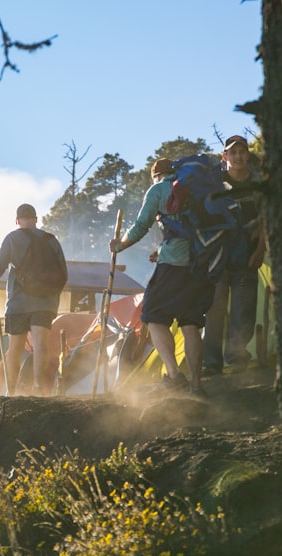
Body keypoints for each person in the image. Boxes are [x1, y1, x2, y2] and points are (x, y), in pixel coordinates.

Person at [109, 158, 216, 396]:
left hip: (173, 265)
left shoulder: (158, 189)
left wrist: (120, 245)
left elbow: (141, 226)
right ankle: (196, 385)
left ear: (155, 175)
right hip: (202, 264)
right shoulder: (199, 189)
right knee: (191, 324)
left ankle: (174, 376)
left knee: (153, 315)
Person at [202, 135, 266, 376]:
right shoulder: (216, 184)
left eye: (242, 152)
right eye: (233, 152)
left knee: (243, 309)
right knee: (215, 311)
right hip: (218, 258)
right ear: (224, 156)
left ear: (247, 156)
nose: (238, 156)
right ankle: (211, 363)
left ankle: (237, 358)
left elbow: (264, 220)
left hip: (247, 258)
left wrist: (260, 250)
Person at [0, 203, 68, 396]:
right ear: (35, 219)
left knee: (15, 348)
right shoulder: (51, 240)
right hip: (46, 303)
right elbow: (63, 275)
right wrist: (50, 296)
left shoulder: (12, 238)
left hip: (18, 303)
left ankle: (11, 391)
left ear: (17, 221)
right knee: (40, 344)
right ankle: (38, 387)